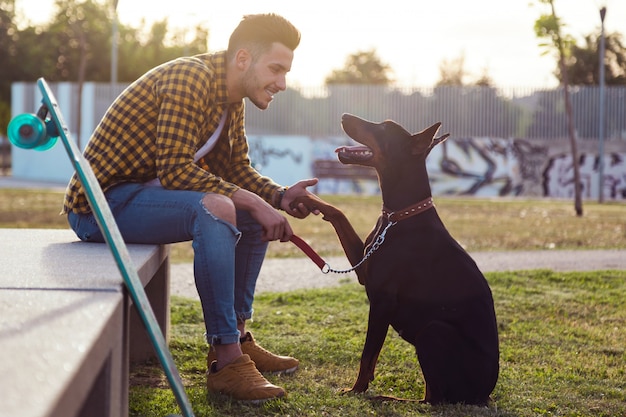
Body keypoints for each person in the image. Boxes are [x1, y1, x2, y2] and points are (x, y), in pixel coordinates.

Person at [62, 13, 319, 403]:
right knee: (215, 207)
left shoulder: (231, 99)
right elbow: (175, 168)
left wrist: (280, 197)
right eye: (276, 69)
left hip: (138, 201)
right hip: (99, 206)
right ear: (244, 59)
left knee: (240, 209)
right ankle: (226, 362)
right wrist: (252, 201)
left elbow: (234, 169)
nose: (282, 83)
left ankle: (235, 334)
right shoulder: (191, 78)